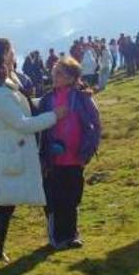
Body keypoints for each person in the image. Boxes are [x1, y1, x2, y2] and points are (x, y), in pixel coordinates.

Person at [0, 38, 68, 263]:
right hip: (14, 150)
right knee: (7, 201)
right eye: (11, 51)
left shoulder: (2, 84)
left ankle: (54, 237)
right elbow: (21, 123)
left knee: (12, 199)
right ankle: (52, 239)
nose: (15, 54)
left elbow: (24, 109)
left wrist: (48, 101)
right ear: (2, 56)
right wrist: (54, 116)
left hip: (15, 149)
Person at [37, 57, 102, 249]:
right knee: (54, 198)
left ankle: (72, 235)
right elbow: (39, 127)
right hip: (53, 160)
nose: (54, 76)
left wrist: (87, 152)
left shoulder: (83, 98)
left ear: (72, 78)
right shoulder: (47, 100)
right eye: (54, 72)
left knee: (72, 197)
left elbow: (95, 125)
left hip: (75, 158)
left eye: (60, 73)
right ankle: (56, 236)